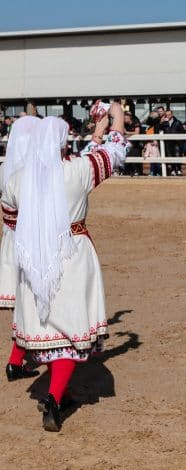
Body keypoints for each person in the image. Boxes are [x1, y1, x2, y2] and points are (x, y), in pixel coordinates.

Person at [6, 102, 127, 431]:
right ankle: (56, 397)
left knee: (48, 327)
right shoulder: (78, 170)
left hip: (34, 255)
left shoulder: (18, 179)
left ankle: (59, 390)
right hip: (73, 252)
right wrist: (115, 114)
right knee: (71, 328)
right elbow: (116, 151)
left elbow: (10, 218)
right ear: (63, 143)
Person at [2, 116, 42, 381]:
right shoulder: (37, 172)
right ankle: (19, 360)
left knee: (26, 303)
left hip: (11, 241)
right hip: (34, 243)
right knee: (37, 303)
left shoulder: (7, 169)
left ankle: (16, 360)